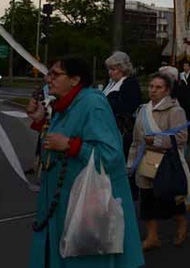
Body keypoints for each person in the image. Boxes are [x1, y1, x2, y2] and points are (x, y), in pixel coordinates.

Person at [26, 57, 143, 267]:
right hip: (65, 204)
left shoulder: (92, 103)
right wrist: (41, 121)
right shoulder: (65, 104)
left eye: (55, 74)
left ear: (74, 79)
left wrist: (72, 146)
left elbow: (111, 155)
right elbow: (60, 138)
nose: (48, 79)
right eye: (49, 74)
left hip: (85, 208)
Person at [127, 73, 190, 251]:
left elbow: (180, 138)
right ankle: (152, 236)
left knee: (169, 199)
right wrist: (131, 163)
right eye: (151, 86)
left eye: (158, 87)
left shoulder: (175, 111)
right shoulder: (143, 110)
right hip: (145, 161)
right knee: (147, 200)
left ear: (167, 90)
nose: (153, 90)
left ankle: (181, 223)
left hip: (166, 162)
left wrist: (156, 141)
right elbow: (136, 140)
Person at [103, 51, 143, 200]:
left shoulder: (130, 83)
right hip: (110, 128)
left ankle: (129, 193)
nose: (110, 72)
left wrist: (108, 104)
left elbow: (130, 106)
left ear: (123, 69)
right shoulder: (111, 83)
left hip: (123, 130)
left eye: (113, 69)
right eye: (109, 69)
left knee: (126, 160)